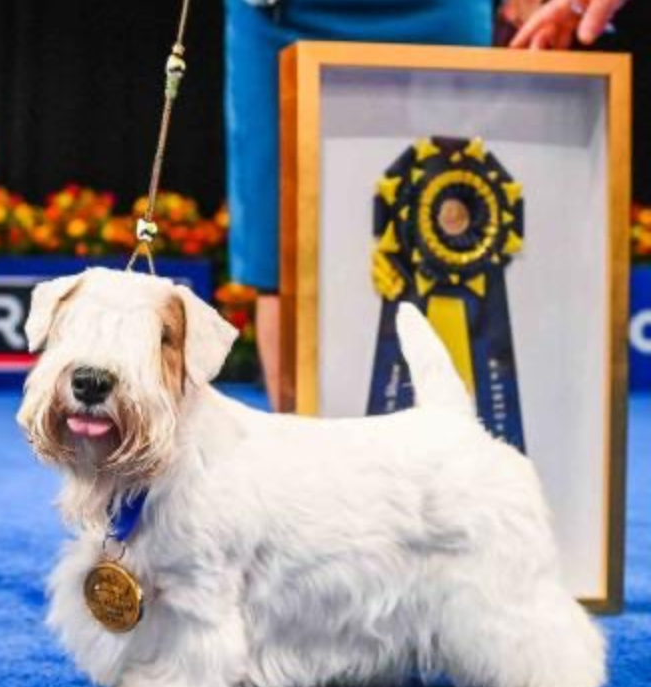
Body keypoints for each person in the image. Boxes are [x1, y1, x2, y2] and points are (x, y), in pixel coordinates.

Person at [226, 0, 630, 409]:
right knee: (280, 251)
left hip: (439, 12)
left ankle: (464, 452)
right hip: (280, 18)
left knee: (461, 222)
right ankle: (308, 465)